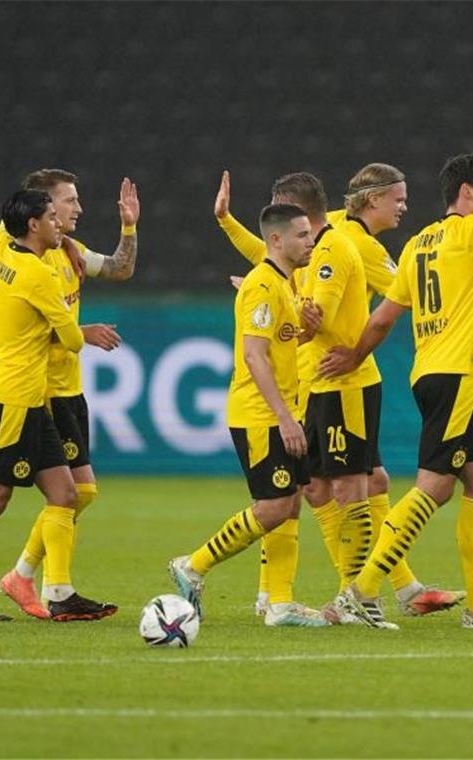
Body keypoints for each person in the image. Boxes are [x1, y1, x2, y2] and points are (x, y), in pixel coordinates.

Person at [320, 137, 473, 629]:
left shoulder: (417, 244)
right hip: (455, 375)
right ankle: (360, 592)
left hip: (434, 374)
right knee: (434, 488)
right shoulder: (470, 231)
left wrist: (353, 353)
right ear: (466, 193)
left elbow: (384, 317)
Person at [214, 168, 464, 622]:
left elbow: (389, 299)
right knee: (321, 487)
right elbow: (272, 256)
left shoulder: (342, 242)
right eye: (398, 198)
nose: (404, 206)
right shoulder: (329, 235)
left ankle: (364, 590)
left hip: (332, 378)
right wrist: (231, 230)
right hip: (320, 381)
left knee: (347, 485)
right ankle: (354, 591)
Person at [0, 189, 116, 621]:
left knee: (66, 492)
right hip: (13, 400)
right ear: (33, 226)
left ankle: (59, 591)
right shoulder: (39, 276)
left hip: (21, 396)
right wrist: (87, 327)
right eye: (51, 217)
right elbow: (73, 339)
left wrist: (71, 244)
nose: (59, 222)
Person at [168, 203, 328, 627]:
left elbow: (284, 341)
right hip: (261, 415)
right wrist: (283, 417)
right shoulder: (262, 285)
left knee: (291, 503)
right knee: (273, 507)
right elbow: (255, 357)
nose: (310, 241)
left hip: (283, 411)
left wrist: (308, 327)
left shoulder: (285, 284)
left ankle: (279, 604)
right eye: (301, 235)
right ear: (276, 240)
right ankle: (194, 565)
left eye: (310, 234)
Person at [0, 169, 140, 619]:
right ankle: (56, 589)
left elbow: (121, 268)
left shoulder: (68, 253)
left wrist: (130, 225)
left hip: (69, 387)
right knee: (68, 493)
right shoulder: (15, 250)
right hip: (43, 389)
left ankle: (23, 574)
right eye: (68, 201)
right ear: (42, 210)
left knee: (82, 492)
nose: (77, 209)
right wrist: (83, 332)